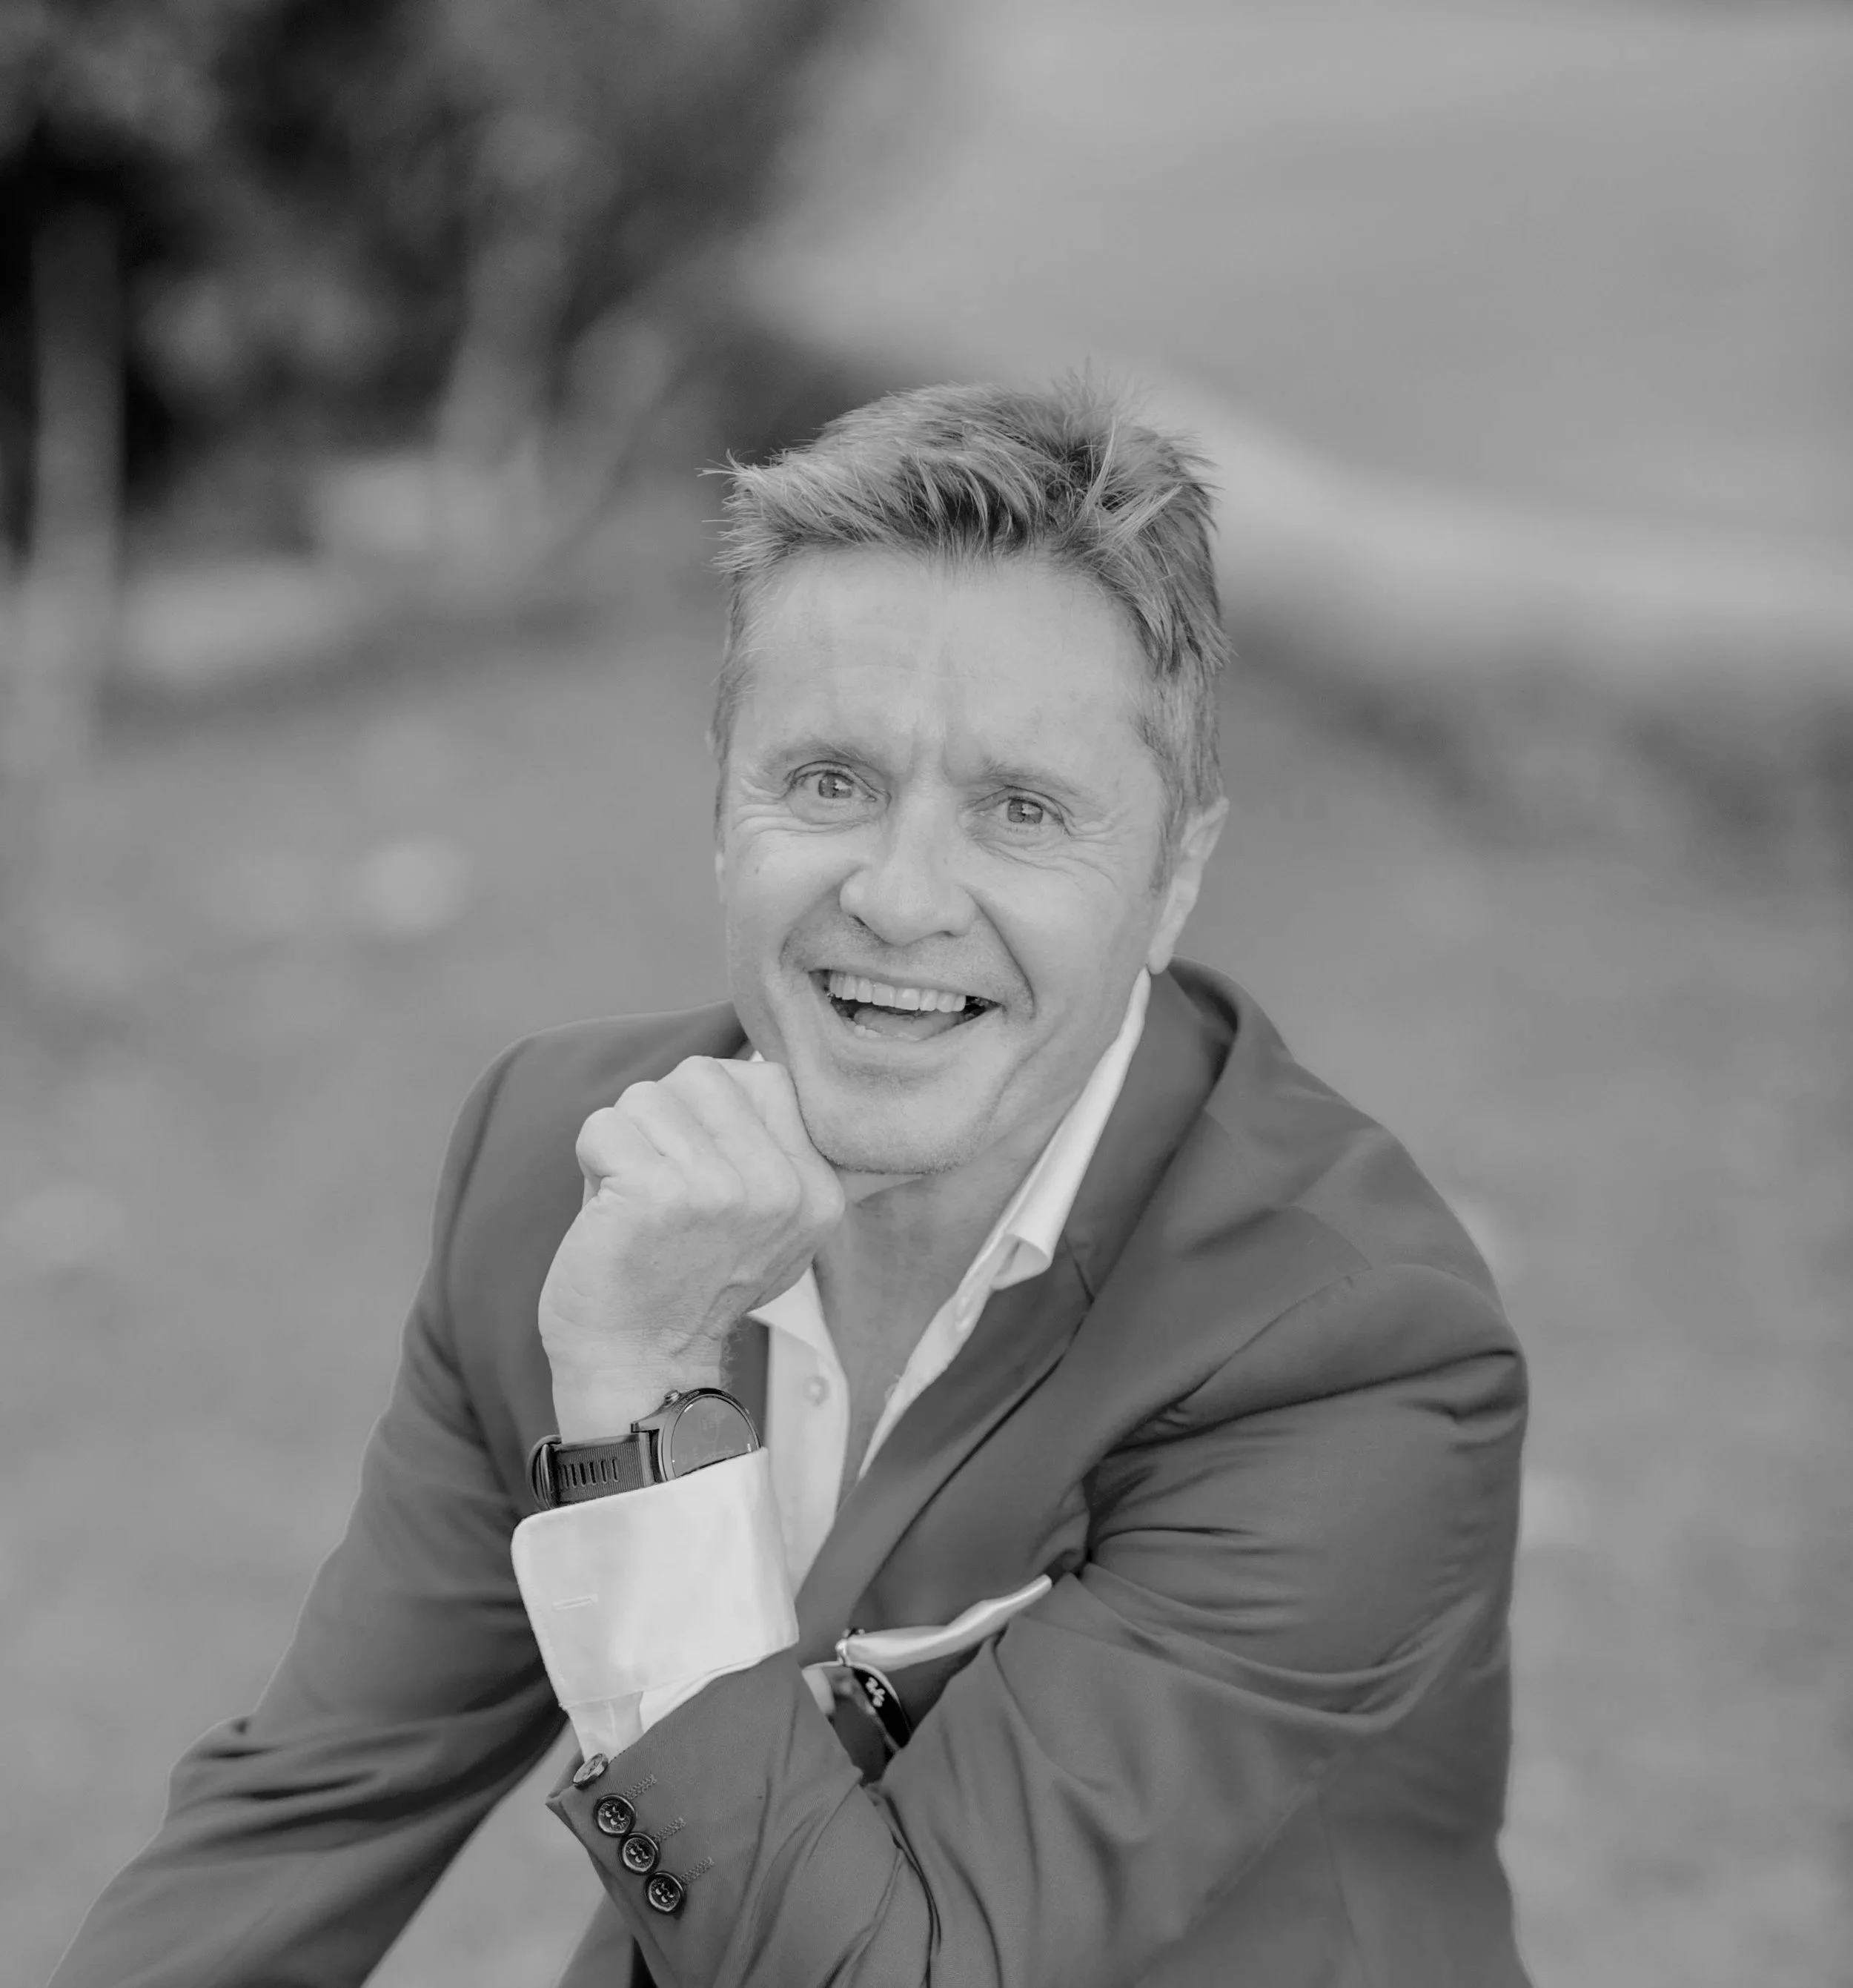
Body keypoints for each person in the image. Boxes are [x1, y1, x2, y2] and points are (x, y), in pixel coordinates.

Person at [50, 380, 1532, 1988]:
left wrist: (639, 1411)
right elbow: (315, 1809)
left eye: (1020, 810)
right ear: (720, 807)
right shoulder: (562, 1169)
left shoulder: (1349, 1355)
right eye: (829, 780)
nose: (898, 897)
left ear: (1174, 878)